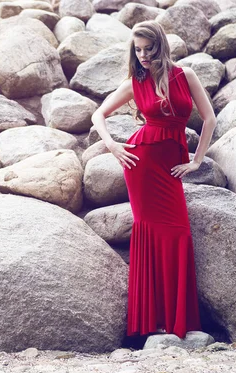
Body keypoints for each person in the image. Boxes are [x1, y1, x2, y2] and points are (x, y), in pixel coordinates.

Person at [91, 21, 216, 340]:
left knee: (177, 234)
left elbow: (210, 118)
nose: (143, 55)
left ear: (161, 46)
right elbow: (98, 115)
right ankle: (152, 322)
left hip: (171, 165)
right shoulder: (136, 81)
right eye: (138, 49)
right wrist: (112, 145)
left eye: (149, 49)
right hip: (142, 164)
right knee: (150, 234)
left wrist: (197, 159)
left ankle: (177, 320)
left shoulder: (184, 75)